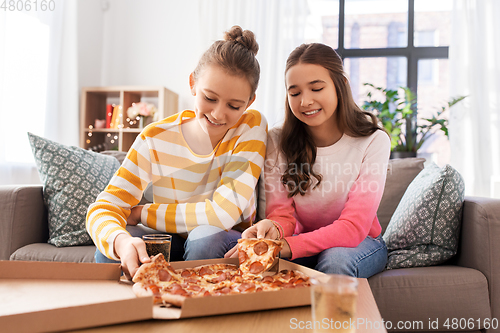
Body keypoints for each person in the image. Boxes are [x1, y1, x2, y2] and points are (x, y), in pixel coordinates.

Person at [86, 26, 267, 279]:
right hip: (172, 240)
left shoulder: (251, 126)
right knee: (112, 248)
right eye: (210, 98)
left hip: (219, 240)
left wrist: (142, 212)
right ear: (193, 83)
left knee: (204, 238)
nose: (218, 114)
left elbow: (222, 214)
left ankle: (196, 312)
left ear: (249, 103)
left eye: (234, 105)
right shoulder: (154, 138)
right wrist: (119, 240)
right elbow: (102, 208)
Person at [227, 43, 390, 278]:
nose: (305, 101)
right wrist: (272, 228)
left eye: (316, 88)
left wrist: (287, 246)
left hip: (360, 243)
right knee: (231, 251)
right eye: (295, 93)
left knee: (334, 260)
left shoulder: (373, 140)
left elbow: (353, 227)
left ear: (340, 85)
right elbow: (282, 215)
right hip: (299, 241)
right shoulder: (277, 140)